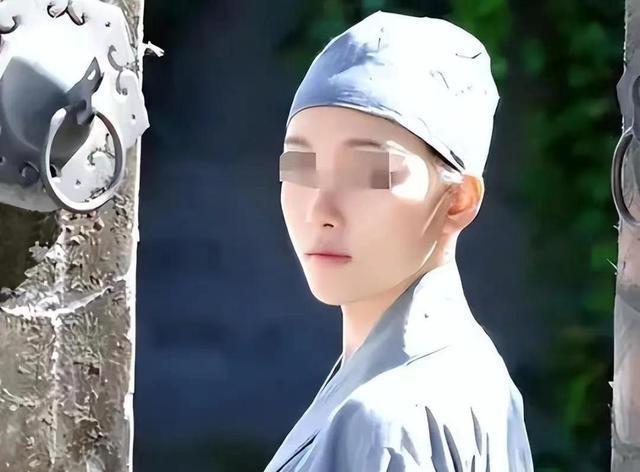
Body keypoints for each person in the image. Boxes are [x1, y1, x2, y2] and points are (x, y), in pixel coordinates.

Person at [266, 10, 534, 472]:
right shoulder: (479, 377)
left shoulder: (385, 422)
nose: (320, 210)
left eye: (369, 172)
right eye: (299, 166)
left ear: (458, 201)